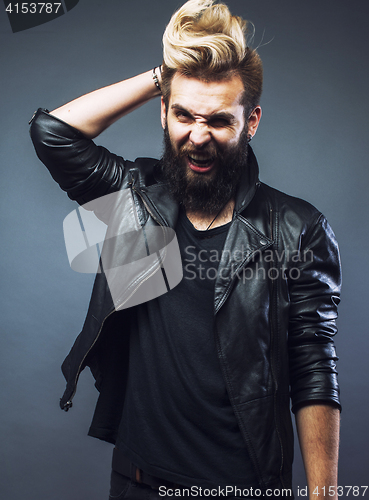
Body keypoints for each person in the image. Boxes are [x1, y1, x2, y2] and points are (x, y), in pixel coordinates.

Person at [30, 0, 341, 498]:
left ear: (251, 121)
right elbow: (52, 133)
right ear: (164, 110)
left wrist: (323, 495)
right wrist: (167, 72)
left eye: (218, 120)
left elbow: (313, 367)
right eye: (183, 115)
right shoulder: (134, 199)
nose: (198, 137)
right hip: (135, 482)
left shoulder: (297, 229)